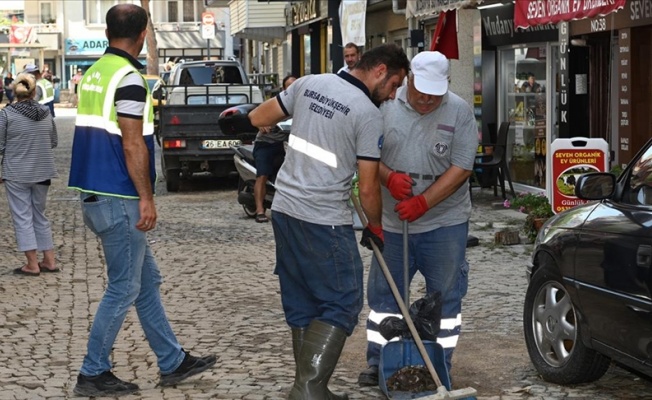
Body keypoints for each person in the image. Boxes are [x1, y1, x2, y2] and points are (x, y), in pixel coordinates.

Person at [67, 4, 215, 397]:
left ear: (106, 30)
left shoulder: (95, 73)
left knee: (145, 283)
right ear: (144, 33)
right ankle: (93, 371)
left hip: (96, 193)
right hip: (120, 197)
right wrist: (147, 198)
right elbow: (133, 143)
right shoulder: (129, 78)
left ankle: (172, 361)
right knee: (123, 287)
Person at [249, 43, 410, 399]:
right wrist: (376, 225)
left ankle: (311, 388)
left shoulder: (309, 83)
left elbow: (259, 118)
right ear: (380, 70)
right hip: (324, 218)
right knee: (342, 301)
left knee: (303, 300)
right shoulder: (368, 114)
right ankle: (309, 387)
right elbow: (368, 187)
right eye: (395, 83)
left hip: (285, 209)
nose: (394, 93)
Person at [358, 51, 478, 387]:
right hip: (394, 224)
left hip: (445, 222)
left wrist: (425, 201)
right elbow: (366, 155)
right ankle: (380, 362)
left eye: (434, 94)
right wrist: (388, 177)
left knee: (446, 296)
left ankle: (439, 362)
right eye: (420, 91)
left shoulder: (460, 111)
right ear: (408, 79)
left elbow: (462, 167)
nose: (426, 99)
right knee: (385, 297)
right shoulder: (384, 105)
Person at [0, 72, 59, 276]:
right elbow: (53, 141)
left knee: (22, 217)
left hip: (17, 173)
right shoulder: (46, 113)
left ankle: (32, 264)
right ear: (34, 92)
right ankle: (49, 260)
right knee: (40, 215)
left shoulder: (7, 115)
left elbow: (0, 145)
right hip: (43, 172)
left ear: (14, 92)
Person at [251, 74, 297, 223]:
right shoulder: (275, 103)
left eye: (295, 86)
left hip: (287, 145)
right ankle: (259, 210)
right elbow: (254, 115)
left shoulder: (301, 105)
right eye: (289, 87)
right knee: (262, 174)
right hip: (266, 143)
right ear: (283, 89)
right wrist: (261, 124)